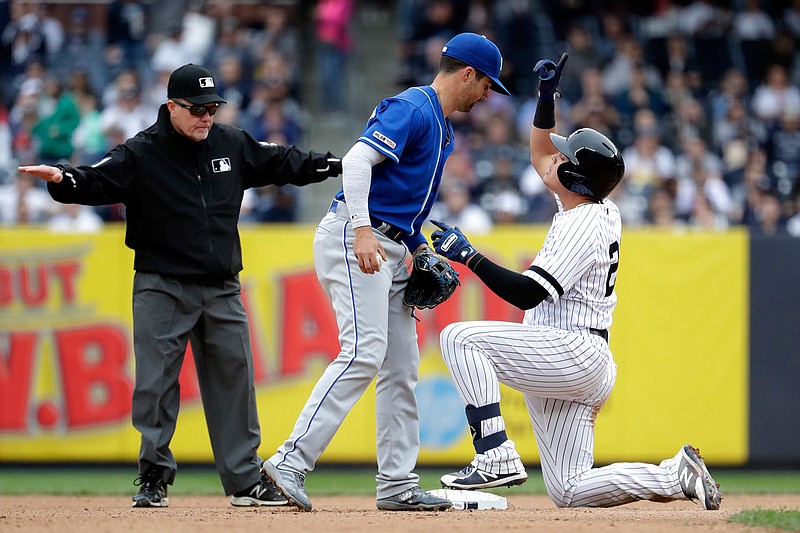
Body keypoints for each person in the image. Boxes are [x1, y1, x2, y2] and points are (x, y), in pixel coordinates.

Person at [18, 63, 342, 509]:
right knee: (156, 384)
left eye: (213, 108)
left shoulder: (229, 141)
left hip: (222, 285)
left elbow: (280, 160)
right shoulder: (141, 152)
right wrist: (65, 179)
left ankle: (245, 481)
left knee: (235, 382)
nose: (207, 117)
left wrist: (334, 165)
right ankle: (153, 476)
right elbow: (97, 179)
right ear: (171, 106)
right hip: (162, 285)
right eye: (197, 109)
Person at [430, 53, 723, 511]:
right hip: (576, 356)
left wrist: (470, 257)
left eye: (564, 158)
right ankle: (673, 475)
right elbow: (540, 151)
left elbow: (528, 292)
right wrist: (546, 100)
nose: (553, 159)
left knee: (461, 338)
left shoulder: (581, 224)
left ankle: (495, 451)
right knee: (569, 489)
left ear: (573, 176)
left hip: (571, 351)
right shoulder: (592, 206)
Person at [261, 32, 510, 512]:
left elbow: (408, 209)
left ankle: (397, 484)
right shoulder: (415, 107)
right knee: (364, 351)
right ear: (467, 74)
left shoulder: (443, 126)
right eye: (486, 86)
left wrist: (417, 246)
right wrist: (359, 229)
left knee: (402, 367)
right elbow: (357, 161)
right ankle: (287, 464)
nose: (487, 96)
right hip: (359, 238)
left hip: (390, 244)